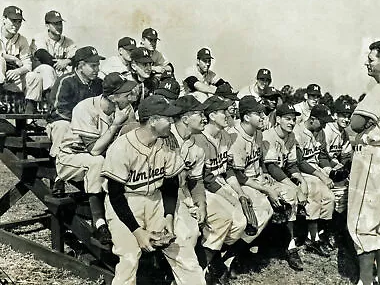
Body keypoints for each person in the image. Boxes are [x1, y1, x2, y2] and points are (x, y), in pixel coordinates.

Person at [102, 95, 206, 285]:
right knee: (129, 257)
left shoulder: (165, 144)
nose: (171, 122)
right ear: (152, 121)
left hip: (156, 201)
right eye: (167, 118)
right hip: (125, 203)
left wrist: (168, 217)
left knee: (183, 249)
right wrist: (137, 232)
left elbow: (170, 185)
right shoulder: (121, 147)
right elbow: (115, 194)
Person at [56, 72, 137, 245]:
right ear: (113, 97)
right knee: (97, 162)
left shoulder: (126, 109)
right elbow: (94, 150)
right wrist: (116, 125)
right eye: (125, 94)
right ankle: (99, 224)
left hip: (99, 159)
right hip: (71, 158)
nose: (130, 97)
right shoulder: (85, 108)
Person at [348, 41, 380, 285]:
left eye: (372, 59)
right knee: (379, 219)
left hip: (372, 153)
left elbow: (356, 123)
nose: (367, 62)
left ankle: (366, 281)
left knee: (360, 222)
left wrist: (360, 126)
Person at [190, 95, 247, 282]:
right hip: (204, 188)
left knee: (240, 222)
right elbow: (204, 178)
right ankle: (205, 269)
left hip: (220, 183)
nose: (227, 114)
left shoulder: (223, 135)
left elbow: (228, 169)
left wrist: (239, 193)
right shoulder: (199, 138)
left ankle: (217, 260)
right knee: (225, 218)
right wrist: (230, 196)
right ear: (212, 115)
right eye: (223, 111)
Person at [226, 96, 275, 273]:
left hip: (257, 177)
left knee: (285, 198)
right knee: (263, 209)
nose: (263, 117)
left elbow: (259, 159)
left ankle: (250, 248)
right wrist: (265, 189)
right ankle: (229, 256)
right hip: (242, 182)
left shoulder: (258, 132)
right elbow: (238, 175)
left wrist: (266, 173)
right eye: (258, 113)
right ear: (246, 117)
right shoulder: (236, 137)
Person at [262, 103, 308, 271]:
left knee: (299, 190)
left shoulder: (291, 136)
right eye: (287, 119)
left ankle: (289, 243)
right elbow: (272, 167)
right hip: (265, 175)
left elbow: (291, 165)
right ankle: (288, 245)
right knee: (290, 195)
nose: (291, 122)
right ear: (278, 119)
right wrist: (295, 188)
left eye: (294, 119)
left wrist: (302, 181)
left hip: (280, 176)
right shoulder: (268, 135)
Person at [293, 104, 336, 257]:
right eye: (322, 121)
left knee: (330, 198)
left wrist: (328, 170)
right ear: (312, 119)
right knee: (315, 194)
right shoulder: (297, 132)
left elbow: (323, 156)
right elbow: (298, 162)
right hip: (302, 172)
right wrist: (321, 174)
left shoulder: (320, 132)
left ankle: (318, 235)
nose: (324, 125)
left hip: (316, 170)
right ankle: (313, 238)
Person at [47, 46, 104, 159]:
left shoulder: (99, 83)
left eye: (98, 65)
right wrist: (80, 122)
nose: (97, 69)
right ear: (81, 66)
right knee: (62, 126)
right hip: (65, 122)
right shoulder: (66, 81)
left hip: (90, 125)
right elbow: (57, 110)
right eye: (93, 66)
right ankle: (58, 163)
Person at [321, 99, 354, 238]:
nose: (346, 119)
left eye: (348, 116)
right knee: (337, 192)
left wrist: (345, 168)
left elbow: (346, 156)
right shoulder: (327, 129)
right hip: (321, 165)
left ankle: (337, 228)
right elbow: (321, 155)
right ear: (335, 115)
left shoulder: (344, 133)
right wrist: (336, 166)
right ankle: (327, 230)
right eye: (342, 115)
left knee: (346, 188)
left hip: (333, 166)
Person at [0, 6, 39, 113]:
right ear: (4, 19)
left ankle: (28, 118)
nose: (16, 25)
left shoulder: (22, 40)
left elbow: (28, 65)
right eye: (13, 21)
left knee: (35, 77)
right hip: (0, 77)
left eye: (19, 21)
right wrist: (12, 58)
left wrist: (17, 71)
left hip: (12, 78)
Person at [31, 10, 77, 91]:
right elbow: (42, 54)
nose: (59, 26)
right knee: (47, 70)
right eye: (55, 24)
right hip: (39, 73)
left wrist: (67, 61)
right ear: (47, 25)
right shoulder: (39, 37)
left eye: (60, 23)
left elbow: (77, 57)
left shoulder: (69, 42)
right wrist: (61, 63)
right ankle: (49, 101)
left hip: (59, 71)